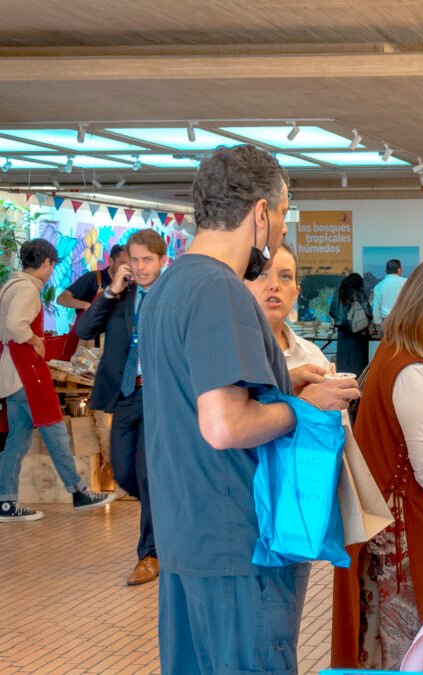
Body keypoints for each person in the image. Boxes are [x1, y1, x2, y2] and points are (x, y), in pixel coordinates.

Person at [139, 144, 359, 675]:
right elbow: (225, 424)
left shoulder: (169, 288)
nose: (282, 230)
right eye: (283, 214)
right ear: (262, 213)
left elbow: (198, 399)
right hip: (239, 543)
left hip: (186, 535)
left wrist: (285, 381)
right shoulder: (222, 292)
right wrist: (304, 406)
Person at [331, 257, 423, 669]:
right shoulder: (411, 370)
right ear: (418, 308)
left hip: (402, 518)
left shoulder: (410, 354)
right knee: (407, 636)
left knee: (388, 631)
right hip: (406, 523)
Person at [73, 229, 169, 584]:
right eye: (135, 260)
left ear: (163, 261)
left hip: (160, 396)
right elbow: (84, 328)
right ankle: (167, 514)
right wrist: (110, 291)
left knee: (146, 473)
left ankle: (150, 554)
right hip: (126, 394)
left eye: (148, 260)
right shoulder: (120, 295)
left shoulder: (172, 296)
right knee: (125, 472)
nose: (140, 267)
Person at [0, 239, 114, 522]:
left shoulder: (11, 285)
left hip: (12, 374)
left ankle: (6, 502)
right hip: (27, 374)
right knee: (55, 431)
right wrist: (35, 339)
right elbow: (16, 325)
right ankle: (79, 492)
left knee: (17, 440)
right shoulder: (27, 288)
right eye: (53, 265)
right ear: (48, 262)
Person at [245, 243, 331, 375]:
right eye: (262, 275)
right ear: (242, 285)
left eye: (285, 276)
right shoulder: (225, 350)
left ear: (296, 292)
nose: (274, 285)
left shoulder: (313, 358)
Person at [56, 244, 129, 312]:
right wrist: (85, 305)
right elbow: (61, 299)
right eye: (122, 263)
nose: (126, 268)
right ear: (111, 261)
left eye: (129, 264)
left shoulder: (129, 285)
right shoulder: (93, 278)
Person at [329, 273, 373, 376]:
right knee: (359, 367)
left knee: (344, 364)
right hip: (359, 335)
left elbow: (332, 311)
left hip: (343, 334)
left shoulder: (339, 294)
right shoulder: (361, 294)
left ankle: (344, 386)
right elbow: (368, 313)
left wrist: (341, 319)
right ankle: (358, 388)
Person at [371, 258, 405, 327]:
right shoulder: (406, 283)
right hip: (403, 320)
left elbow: (376, 311)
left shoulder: (378, 286)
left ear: (386, 271)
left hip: (387, 322)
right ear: (399, 270)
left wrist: (378, 322)